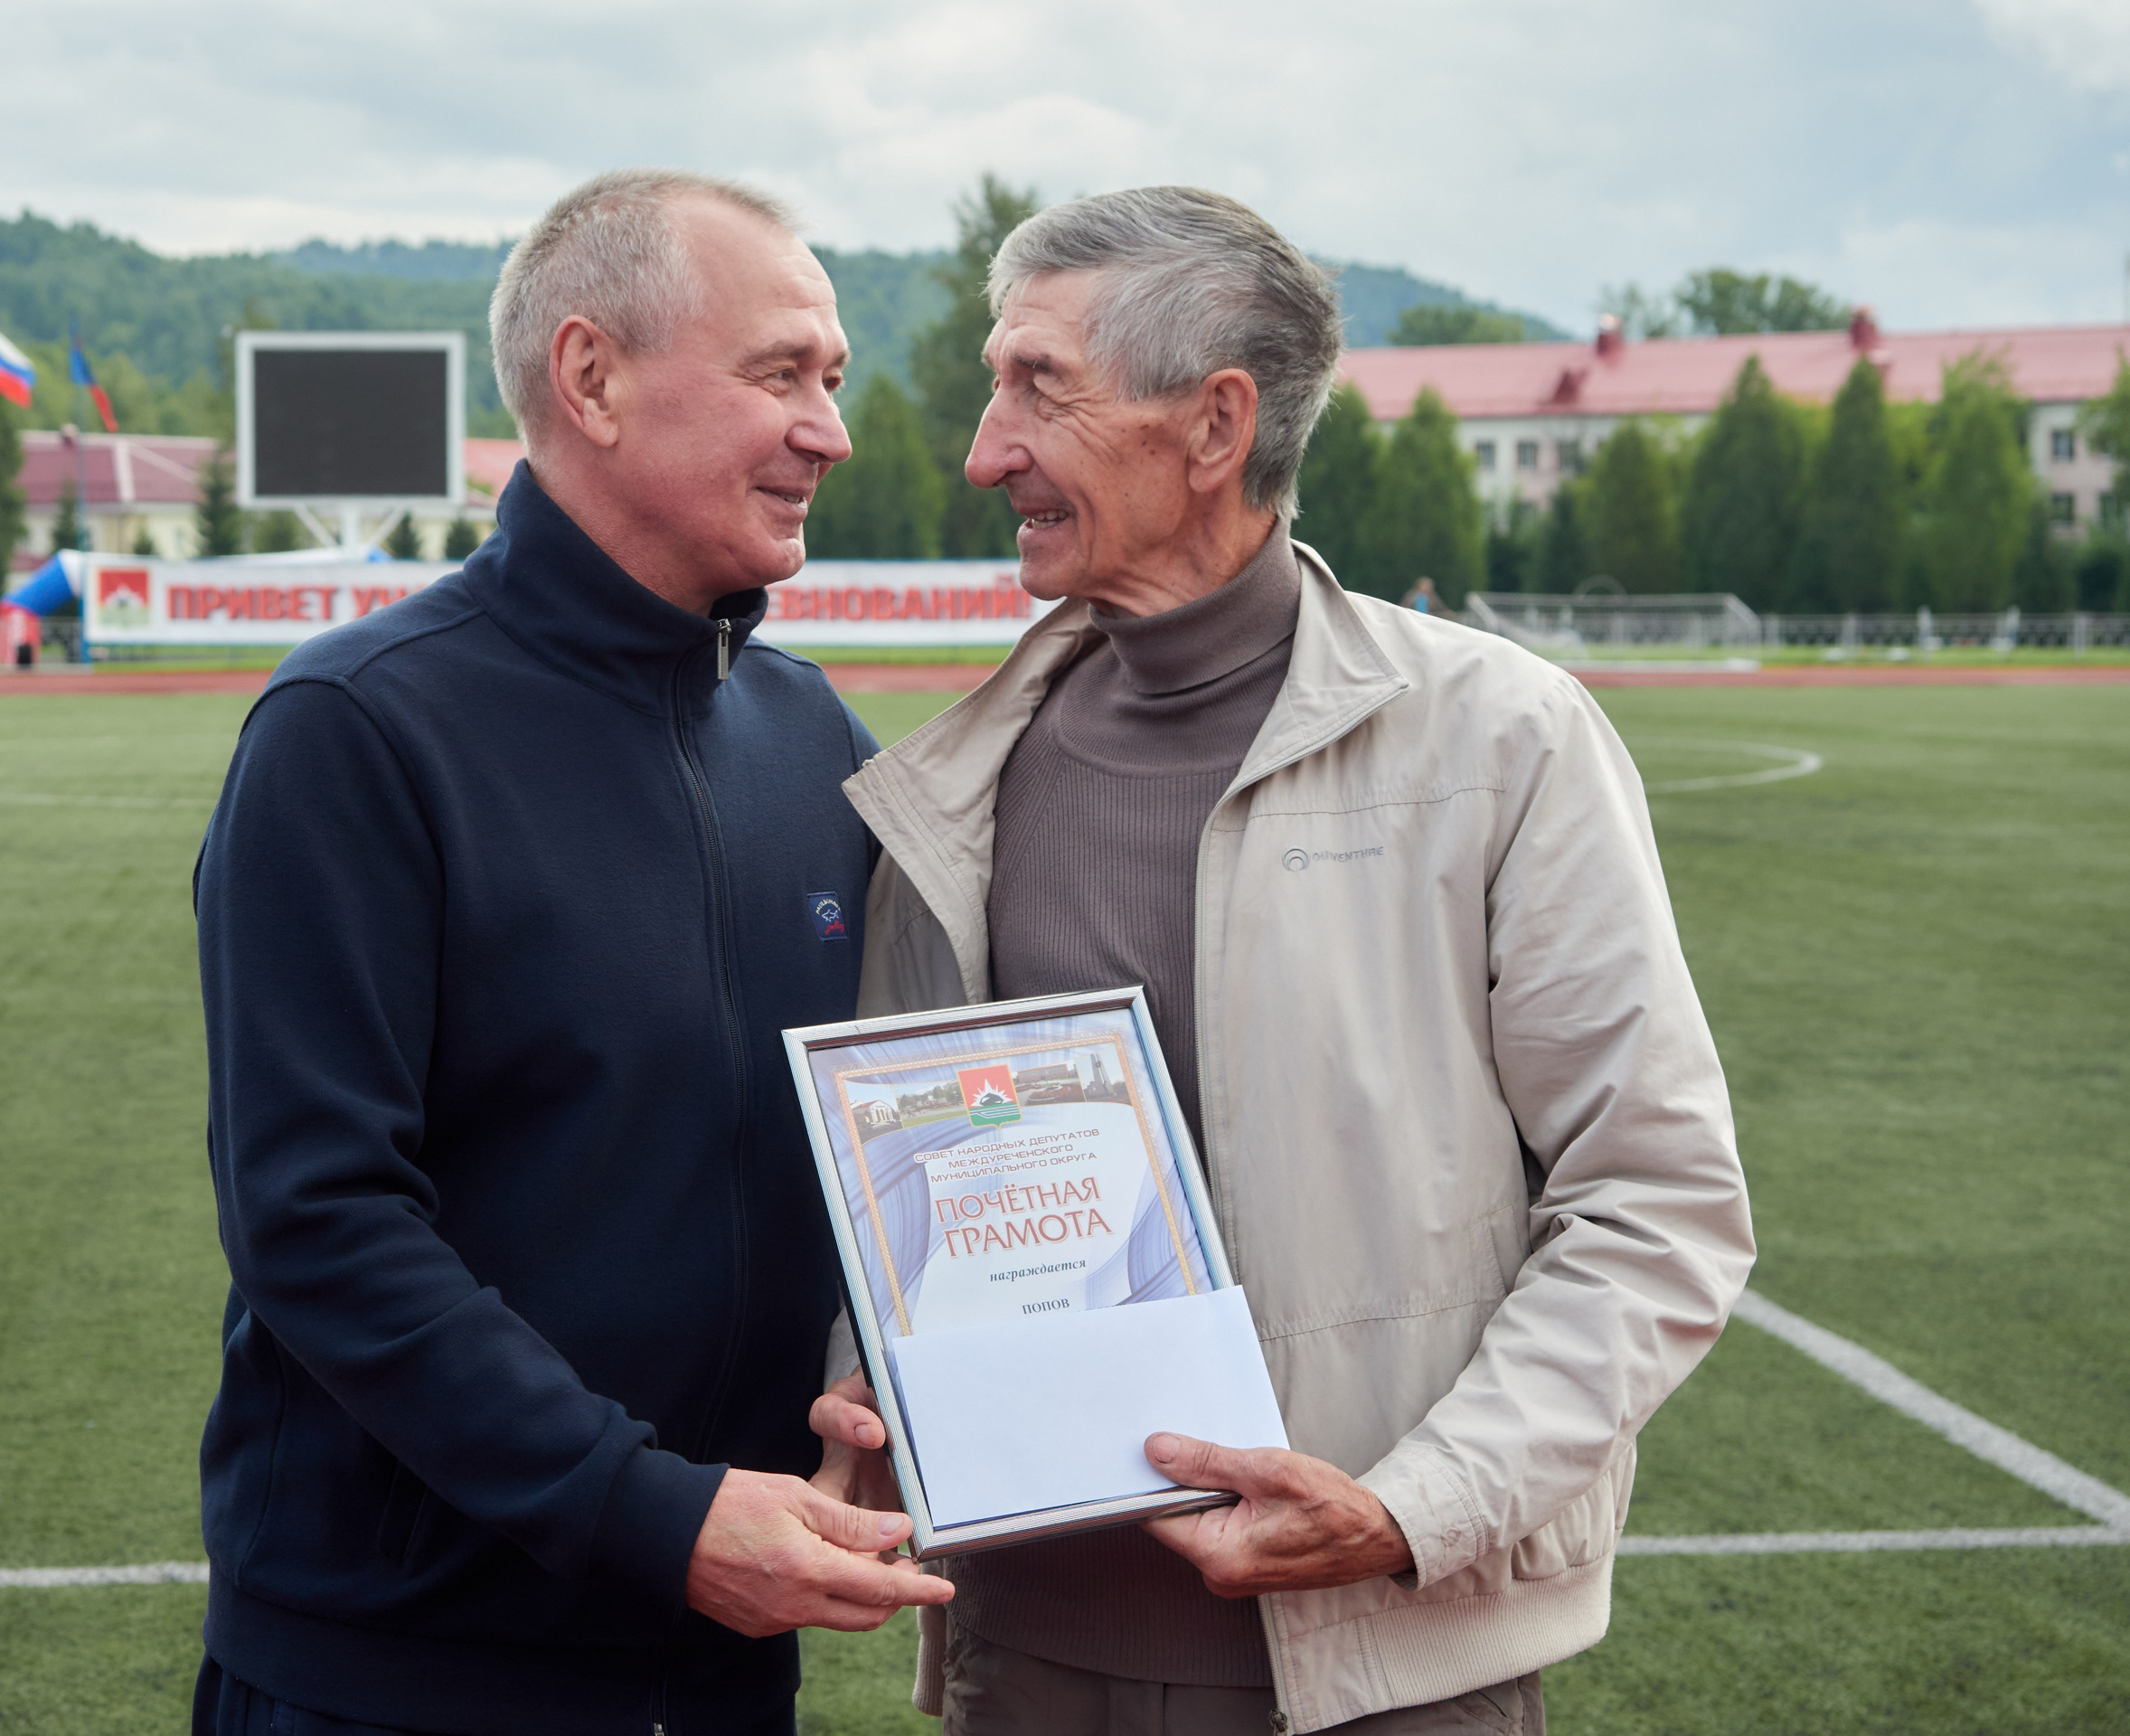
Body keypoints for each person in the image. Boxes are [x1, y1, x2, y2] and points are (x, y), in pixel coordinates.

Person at [812, 187, 1753, 1735]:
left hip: (1386, 1663)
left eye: (1036, 386)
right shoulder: (958, 786)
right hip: (1031, 1668)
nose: (983, 450)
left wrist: (1412, 1514)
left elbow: (1659, 1204)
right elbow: (915, 1194)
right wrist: (878, 1381)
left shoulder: (1502, 740)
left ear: (1213, 426)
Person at [192, 168, 948, 1736]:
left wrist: (900, 1367)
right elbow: (321, 1221)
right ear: (590, 378)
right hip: (401, 1678)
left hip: (725, 1669)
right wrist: (646, 1513)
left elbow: (898, 1133)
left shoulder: (812, 739)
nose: (833, 427)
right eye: (782, 373)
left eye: (836, 380)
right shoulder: (359, 731)